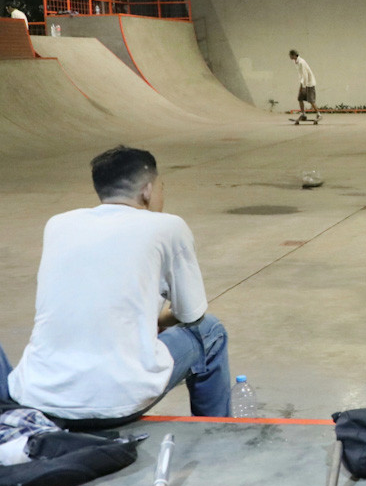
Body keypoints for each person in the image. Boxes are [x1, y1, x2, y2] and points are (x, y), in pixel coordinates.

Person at [0, 146, 231, 427]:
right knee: (210, 332)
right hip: (118, 403)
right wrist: (153, 321)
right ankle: (218, 434)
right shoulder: (168, 227)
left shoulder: (58, 224)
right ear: (147, 190)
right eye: (161, 187)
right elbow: (191, 314)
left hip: (38, 397)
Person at [289, 49, 320, 121]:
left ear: (294, 55)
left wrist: (303, 86)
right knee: (300, 98)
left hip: (309, 83)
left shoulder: (301, 62)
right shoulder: (296, 62)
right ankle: (303, 114)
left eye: (290, 55)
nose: (290, 57)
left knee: (311, 100)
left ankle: (318, 114)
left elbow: (305, 75)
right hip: (303, 82)